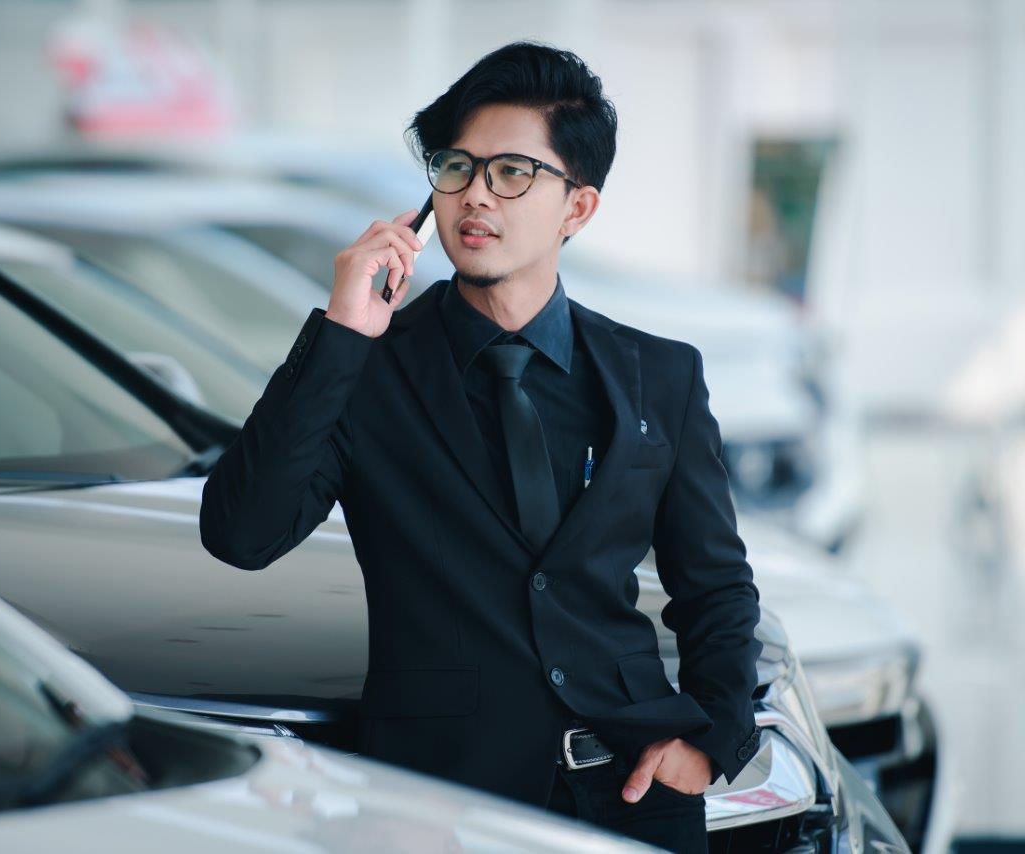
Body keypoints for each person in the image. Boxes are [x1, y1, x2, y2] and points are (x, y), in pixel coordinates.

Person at [200, 40, 763, 852]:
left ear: (577, 208)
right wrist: (342, 333)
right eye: (456, 167)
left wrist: (712, 744)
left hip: (634, 803)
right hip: (436, 808)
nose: (476, 197)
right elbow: (241, 534)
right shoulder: (368, 367)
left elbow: (716, 589)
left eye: (512, 173)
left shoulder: (659, 376)